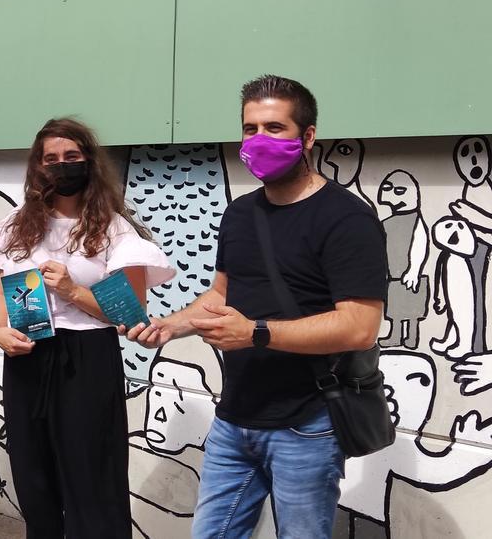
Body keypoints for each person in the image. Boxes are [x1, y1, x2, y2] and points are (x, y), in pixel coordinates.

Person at [124, 75, 388, 538]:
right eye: (250, 129)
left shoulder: (347, 218)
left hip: (306, 425)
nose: (259, 140)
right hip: (234, 418)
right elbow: (222, 295)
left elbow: (359, 327)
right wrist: (171, 326)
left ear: (307, 137)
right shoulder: (240, 213)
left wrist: (256, 333)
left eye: (274, 128)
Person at [0, 117, 173, 538]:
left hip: (86, 362)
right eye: (50, 159)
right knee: (35, 484)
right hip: (28, 358)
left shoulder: (114, 229)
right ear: (37, 167)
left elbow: (131, 312)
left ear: (89, 162)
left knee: (93, 484)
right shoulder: (15, 225)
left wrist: (72, 290)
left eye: (71, 157)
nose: (60, 166)